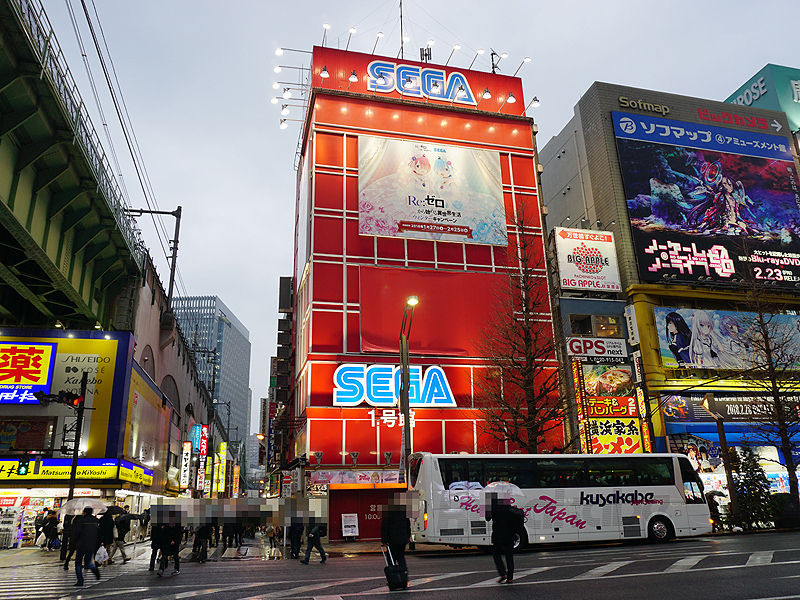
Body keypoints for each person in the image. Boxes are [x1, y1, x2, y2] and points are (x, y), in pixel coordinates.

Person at [485, 493, 516, 584]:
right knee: (509, 556)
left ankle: (502, 573)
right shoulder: (506, 503)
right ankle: (510, 577)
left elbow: (487, 518)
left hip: (498, 534)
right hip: (509, 533)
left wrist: (487, 505)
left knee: (496, 554)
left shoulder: (492, 504)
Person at [381, 492, 411, 573]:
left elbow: (385, 526)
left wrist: (384, 540)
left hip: (392, 540)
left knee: (391, 558)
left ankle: (394, 575)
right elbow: (408, 524)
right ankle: (404, 572)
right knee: (401, 557)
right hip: (403, 539)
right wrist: (408, 536)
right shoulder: (404, 511)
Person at [72, 507, 101, 587]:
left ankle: (80, 581)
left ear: (84, 512)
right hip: (92, 544)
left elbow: (77, 532)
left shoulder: (82, 521)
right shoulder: (96, 521)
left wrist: (75, 541)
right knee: (87, 562)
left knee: (78, 563)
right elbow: (99, 533)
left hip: (81, 544)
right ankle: (94, 568)